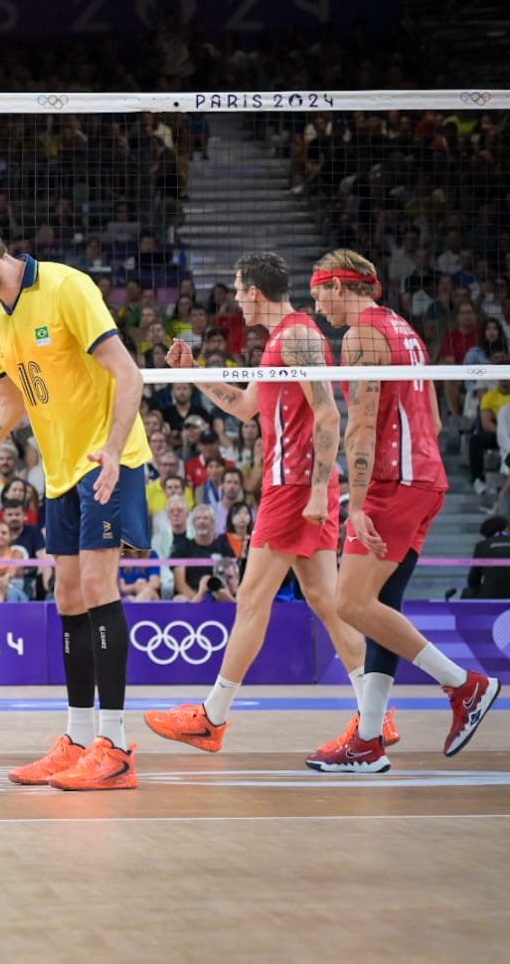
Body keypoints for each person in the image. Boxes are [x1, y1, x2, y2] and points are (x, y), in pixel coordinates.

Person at [0, 212, 152, 791]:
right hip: (60, 470)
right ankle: (79, 738)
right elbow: (4, 409)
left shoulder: (67, 287)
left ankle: (114, 747)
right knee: (67, 597)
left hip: (109, 459)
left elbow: (129, 374)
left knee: (96, 588)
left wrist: (113, 450)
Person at [145, 252, 386, 753]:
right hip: (299, 485)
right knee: (327, 601)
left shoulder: (297, 336)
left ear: (255, 291)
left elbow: (328, 415)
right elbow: (246, 407)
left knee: (252, 600)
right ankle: (376, 714)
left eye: (237, 290)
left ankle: (211, 718)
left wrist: (320, 489)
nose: (234, 299)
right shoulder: (282, 341)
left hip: (296, 486)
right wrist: (193, 371)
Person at [306, 250, 499, 772]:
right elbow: (433, 418)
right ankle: (368, 740)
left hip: (396, 481)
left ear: (340, 286)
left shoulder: (362, 335)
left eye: (319, 292)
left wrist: (361, 503)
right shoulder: (404, 329)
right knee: (380, 607)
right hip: (427, 478)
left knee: (349, 603)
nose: (317, 305)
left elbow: (362, 424)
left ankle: (464, 686)